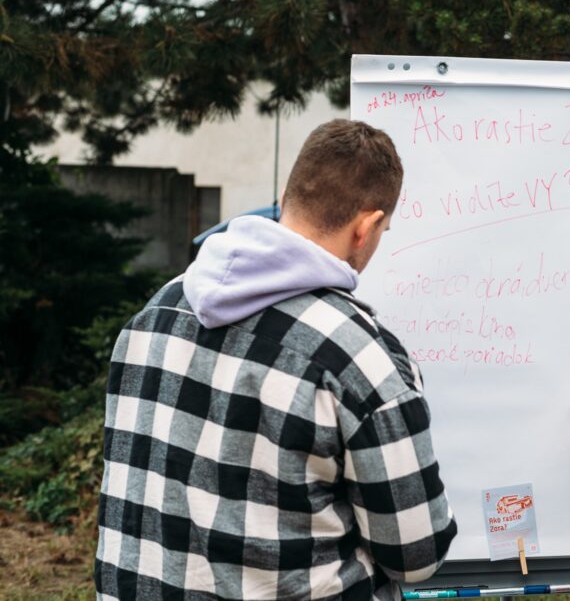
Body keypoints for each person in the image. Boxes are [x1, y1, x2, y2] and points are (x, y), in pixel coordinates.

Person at [95, 119, 457, 599]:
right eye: (383, 230)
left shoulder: (154, 313)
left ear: (285, 199)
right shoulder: (359, 357)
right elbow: (416, 555)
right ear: (366, 227)